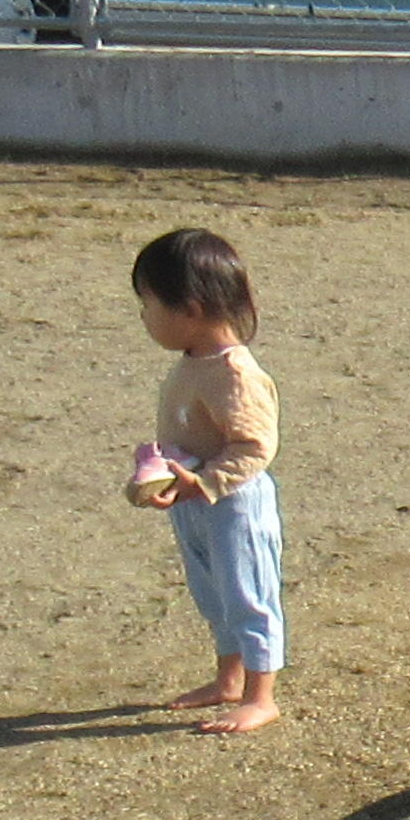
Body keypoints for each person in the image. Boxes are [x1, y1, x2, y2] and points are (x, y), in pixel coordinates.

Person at [125, 225, 284, 736]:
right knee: (212, 592)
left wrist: (208, 483)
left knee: (248, 592)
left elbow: (254, 446)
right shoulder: (194, 363)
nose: (144, 317)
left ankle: (262, 696)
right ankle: (227, 679)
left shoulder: (235, 373)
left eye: (149, 305)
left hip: (234, 501)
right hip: (195, 498)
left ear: (189, 309)